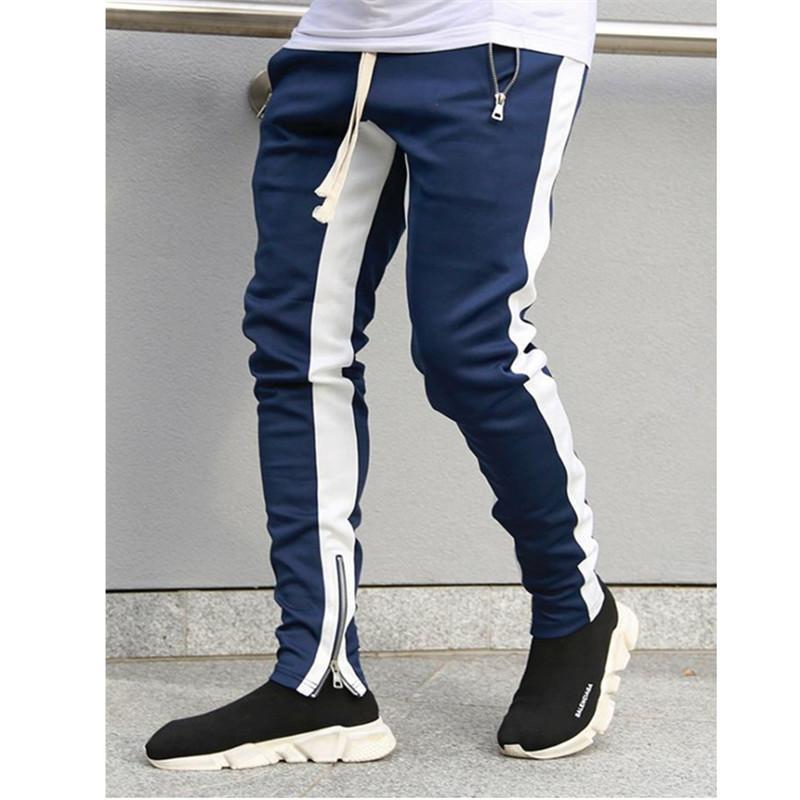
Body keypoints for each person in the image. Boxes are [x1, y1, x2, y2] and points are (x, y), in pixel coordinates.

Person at [145, 0, 639, 770]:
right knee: (297, 350)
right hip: (333, 51)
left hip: (493, 47)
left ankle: (574, 609)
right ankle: (320, 678)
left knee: (469, 345)